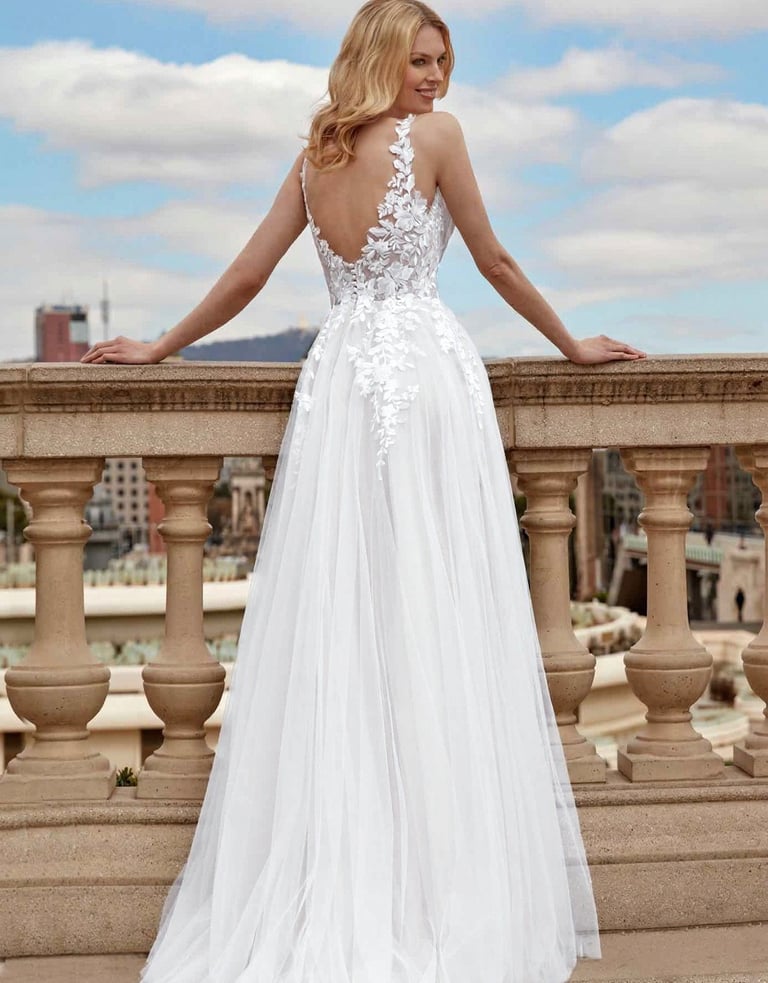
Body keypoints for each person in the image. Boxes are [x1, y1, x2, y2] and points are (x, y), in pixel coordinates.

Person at [83, 2, 645, 979]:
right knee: (428, 604)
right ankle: (431, 880)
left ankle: (360, 860)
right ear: (382, 57)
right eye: (421, 59)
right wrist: (570, 342)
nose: (436, 78)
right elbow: (495, 257)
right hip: (422, 382)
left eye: (444, 61)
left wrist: (162, 343)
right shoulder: (435, 139)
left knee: (351, 611)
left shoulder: (317, 152)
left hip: (340, 384)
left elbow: (250, 275)